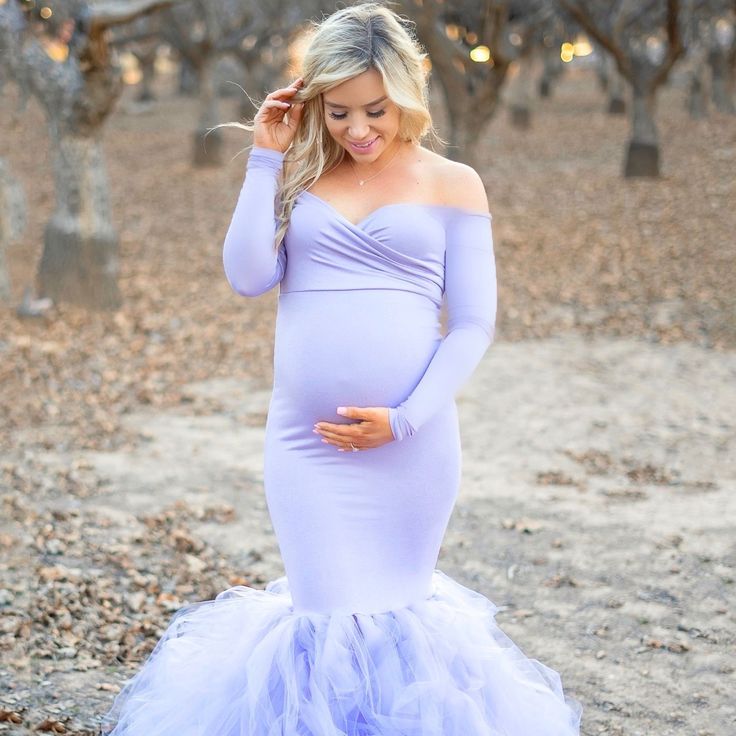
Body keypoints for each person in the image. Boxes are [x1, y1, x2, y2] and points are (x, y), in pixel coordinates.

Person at [100, 3, 582, 734]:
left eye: (376, 111)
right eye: (339, 113)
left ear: (407, 95)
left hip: (412, 448)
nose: (358, 130)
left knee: (396, 621)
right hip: (306, 447)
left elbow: (475, 323)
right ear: (313, 103)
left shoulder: (454, 183)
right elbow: (248, 276)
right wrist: (266, 156)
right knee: (321, 621)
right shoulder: (296, 178)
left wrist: (405, 418)